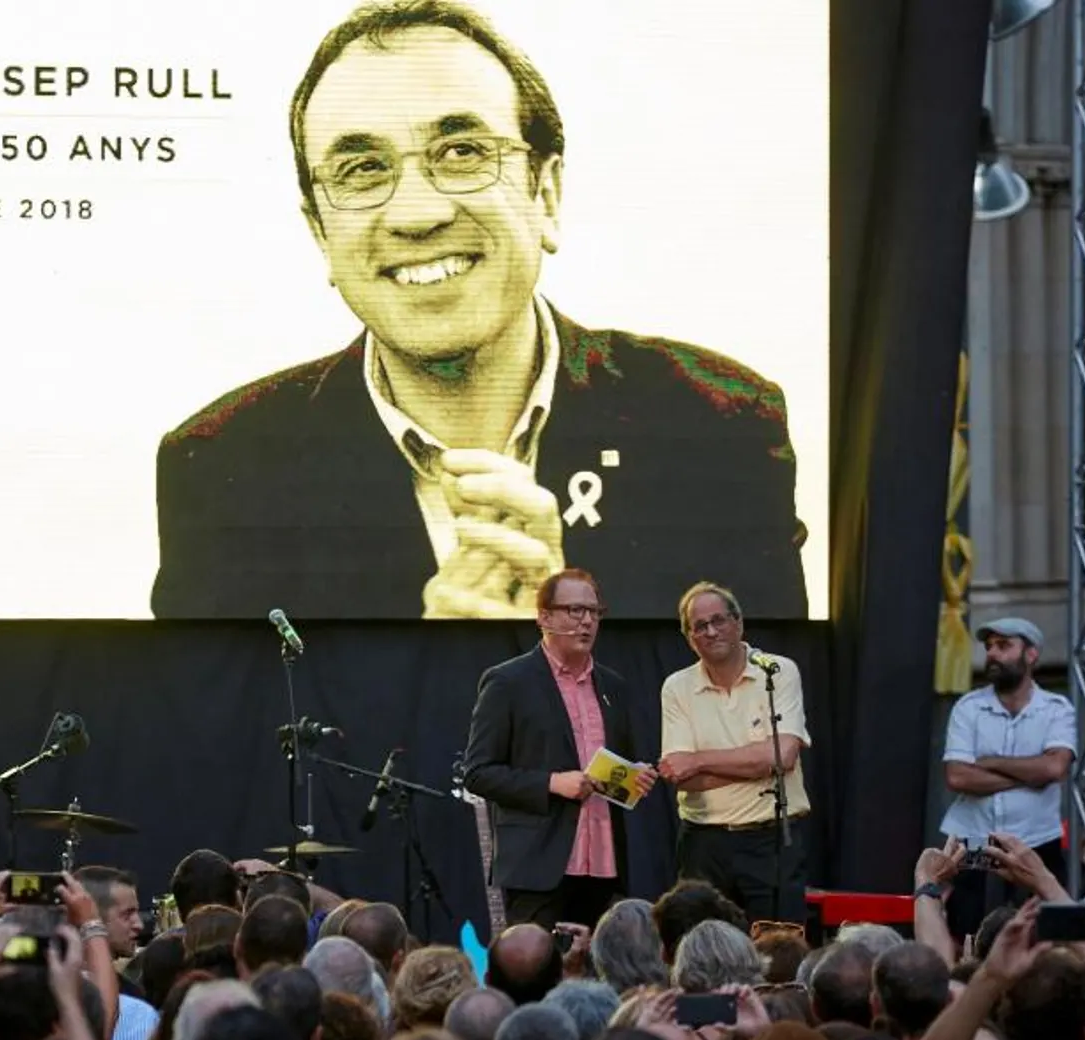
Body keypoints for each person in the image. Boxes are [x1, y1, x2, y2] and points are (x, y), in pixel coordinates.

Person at [150, 0, 807, 621]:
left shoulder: (716, 427)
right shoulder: (222, 467)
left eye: (462, 153)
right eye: (362, 169)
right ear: (321, 233)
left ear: (545, 193)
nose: (417, 213)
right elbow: (219, 737)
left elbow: (771, 726)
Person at [462, 568, 658, 926]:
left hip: (604, 864)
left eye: (594, 612)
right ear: (544, 617)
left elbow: (613, 764)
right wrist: (552, 783)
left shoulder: (613, 686)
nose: (586, 622)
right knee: (537, 972)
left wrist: (634, 777)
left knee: (597, 975)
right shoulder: (509, 682)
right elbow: (477, 773)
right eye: (575, 611)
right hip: (538, 865)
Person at [658, 581, 811, 922]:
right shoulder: (676, 687)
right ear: (689, 637)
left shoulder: (777, 671)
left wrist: (699, 759)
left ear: (739, 623)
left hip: (770, 840)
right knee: (700, 956)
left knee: (776, 951)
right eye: (700, 626)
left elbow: (783, 757)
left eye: (719, 620)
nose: (711, 631)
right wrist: (756, 762)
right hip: (703, 844)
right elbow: (683, 780)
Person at [938, 618, 1076, 936]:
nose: (993, 655)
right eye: (989, 647)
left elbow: (1055, 769)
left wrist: (989, 762)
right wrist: (1031, 775)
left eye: (1004, 646)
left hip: (1037, 837)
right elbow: (958, 777)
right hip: (974, 835)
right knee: (968, 927)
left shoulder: (1056, 709)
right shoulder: (968, 708)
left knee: (1045, 931)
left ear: (1030, 654)